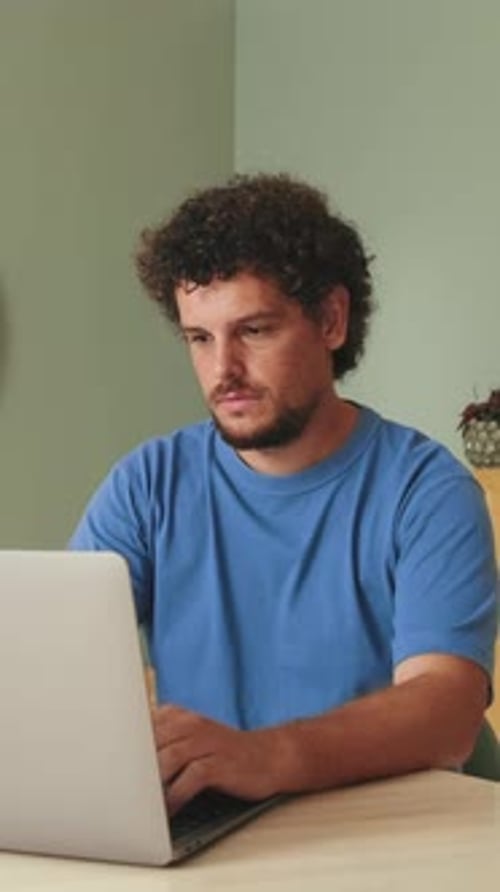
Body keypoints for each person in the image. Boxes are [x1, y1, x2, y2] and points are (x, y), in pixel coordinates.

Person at [70, 173, 498, 815]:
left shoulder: (426, 491)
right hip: (224, 830)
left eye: (255, 331)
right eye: (200, 338)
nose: (223, 372)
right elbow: (56, 660)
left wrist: (263, 756)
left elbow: (446, 709)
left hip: (400, 834)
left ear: (331, 319)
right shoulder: (147, 484)